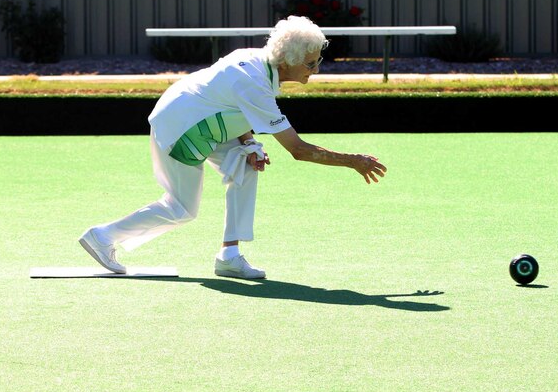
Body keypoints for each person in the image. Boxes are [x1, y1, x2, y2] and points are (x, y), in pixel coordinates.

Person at [79, 16, 386, 279]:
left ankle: (229, 256)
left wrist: (248, 141)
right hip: (181, 127)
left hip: (200, 120)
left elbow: (227, 104)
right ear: (288, 61)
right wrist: (354, 161)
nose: (316, 69)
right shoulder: (256, 83)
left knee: (247, 160)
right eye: (310, 62)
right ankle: (103, 236)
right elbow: (298, 149)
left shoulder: (258, 62)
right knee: (182, 208)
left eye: (317, 60)